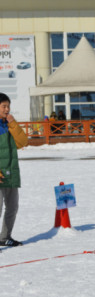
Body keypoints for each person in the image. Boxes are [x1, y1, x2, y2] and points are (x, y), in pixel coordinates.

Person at [0, 92, 28, 247]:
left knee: (12, 207)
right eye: (4, 106)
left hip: (11, 173)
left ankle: (5, 237)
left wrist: (13, 124)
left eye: (8, 106)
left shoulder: (9, 125)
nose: (7, 109)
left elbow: (23, 142)